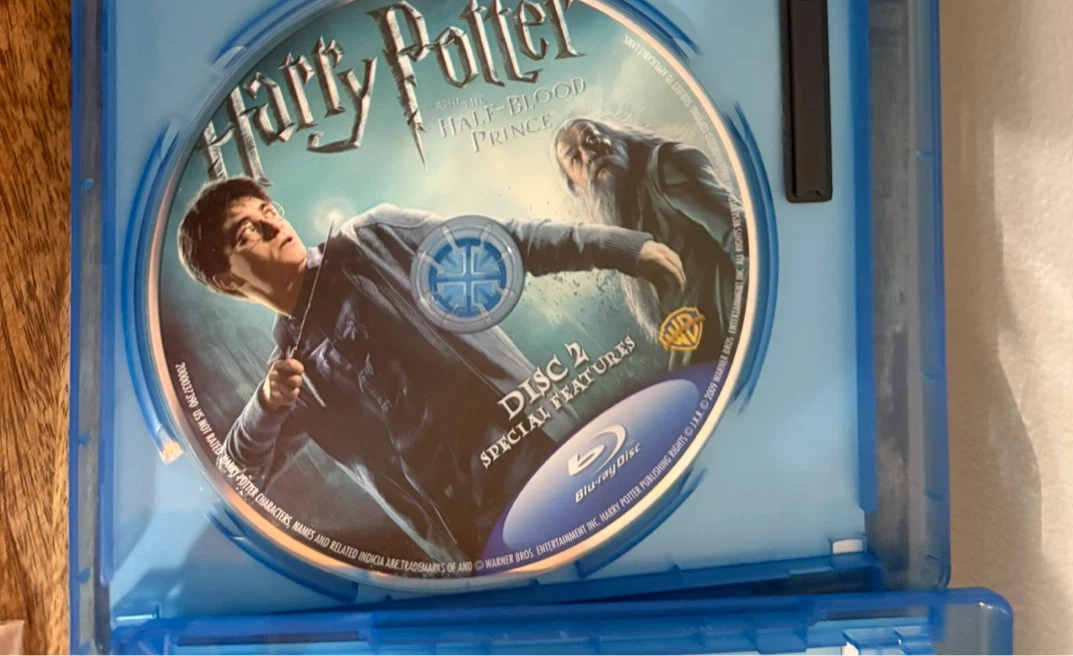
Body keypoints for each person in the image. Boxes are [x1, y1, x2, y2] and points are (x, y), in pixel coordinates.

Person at [177, 177, 687, 564]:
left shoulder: (374, 238)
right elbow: (236, 482)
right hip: (477, 546)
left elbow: (508, 242)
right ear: (227, 281)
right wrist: (265, 407)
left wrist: (624, 249)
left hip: (551, 463)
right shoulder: (290, 380)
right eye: (249, 231)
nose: (274, 226)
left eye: (269, 211)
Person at [554, 118, 741, 366]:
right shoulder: (623, 224)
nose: (589, 155)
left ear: (614, 139)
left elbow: (743, 239)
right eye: (574, 159)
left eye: (592, 140)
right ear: (575, 186)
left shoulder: (665, 166)